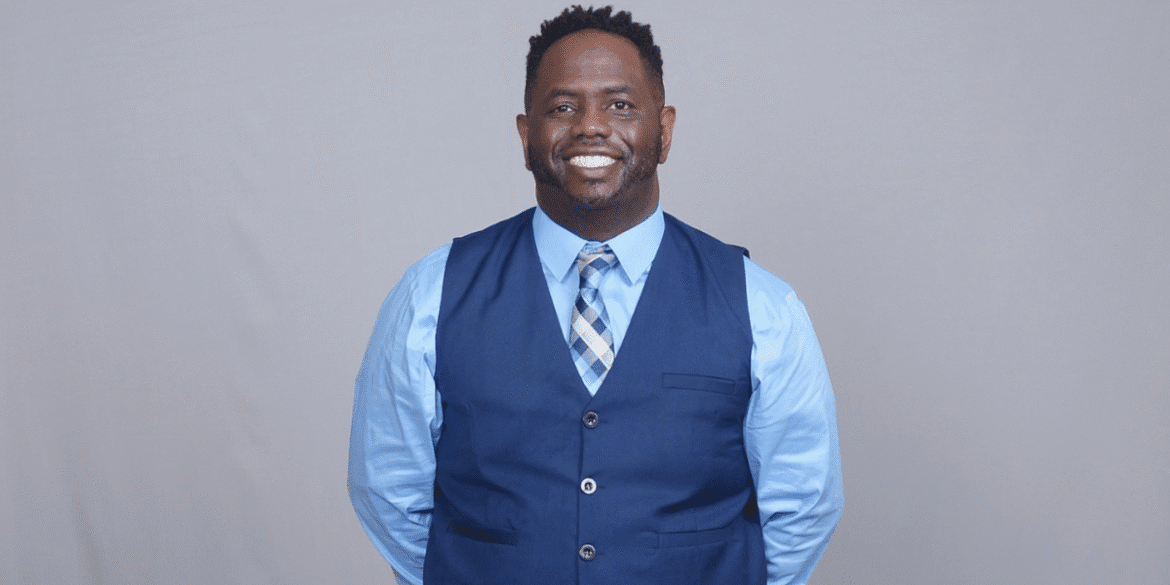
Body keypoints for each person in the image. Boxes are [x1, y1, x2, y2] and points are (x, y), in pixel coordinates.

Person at [348, 6, 842, 584]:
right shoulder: (430, 296)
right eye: (562, 106)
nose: (591, 126)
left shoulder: (763, 308)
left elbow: (804, 507)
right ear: (526, 134)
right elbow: (387, 492)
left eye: (620, 104)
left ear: (664, 130)